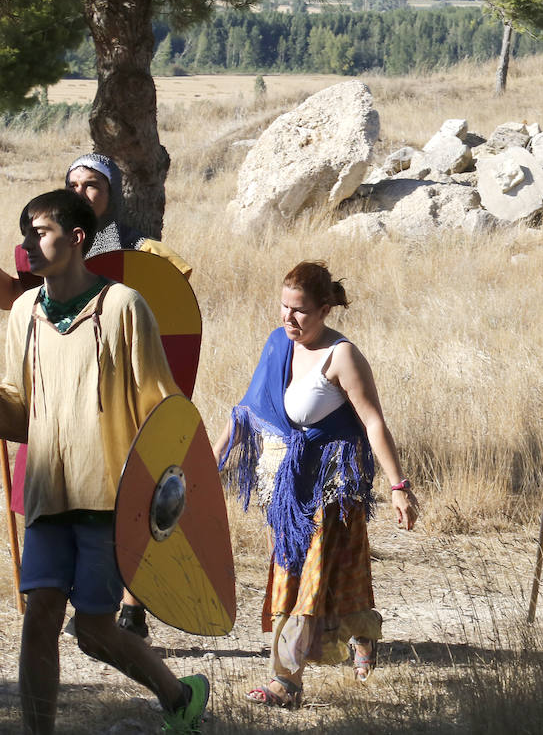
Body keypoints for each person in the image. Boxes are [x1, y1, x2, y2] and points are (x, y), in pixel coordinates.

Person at [0, 190, 207, 734]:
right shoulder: (23, 313)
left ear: (76, 239)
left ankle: (177, 693)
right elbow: (20, 412)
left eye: (39, 232)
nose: (28, 245)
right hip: (48, 491)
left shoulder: (122, 306)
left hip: (109, 498)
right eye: (25, 233)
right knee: (40, 615)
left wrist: (161, 500)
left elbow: (161, 408)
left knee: (92, 630)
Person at [213, 262, 419, 707]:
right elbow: (247, 410)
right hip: (287, 490)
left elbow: (372, 421)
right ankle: (362, 634)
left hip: (333, 486)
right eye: (284, 307)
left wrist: (397, 485)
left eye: (300, 311)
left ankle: (286, 682)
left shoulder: (342, 356)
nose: (289, 318)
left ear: (325, 309)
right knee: (324, 573)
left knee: (309, 579)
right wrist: (214, 461)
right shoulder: (276, 344)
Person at [2, 153, 190, 311]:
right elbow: (13, 295)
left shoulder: (144, 251)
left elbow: (170, 304)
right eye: (72, 186)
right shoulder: (49, 247)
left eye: (91, 185)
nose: (79, 193)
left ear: (112, 194)